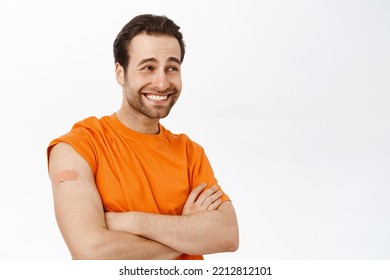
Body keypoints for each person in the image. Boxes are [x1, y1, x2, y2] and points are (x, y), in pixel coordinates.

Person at [47, 14, 239, 260]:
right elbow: (91, 252)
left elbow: (228, 235)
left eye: (172, 68)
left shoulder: (190, 153)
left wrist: (133, 222)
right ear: (120, 72)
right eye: (148, 67)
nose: (161, 82)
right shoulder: (76, 148)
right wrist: (187, 231)